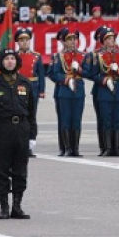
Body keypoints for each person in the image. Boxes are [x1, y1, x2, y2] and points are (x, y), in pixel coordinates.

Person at [0, 48, 37, 220]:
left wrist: (32, 136)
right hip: (3, 129)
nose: (10, 61)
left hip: (22, 128)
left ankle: (17, 206)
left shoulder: (25, 83)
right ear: (1, 62)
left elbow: (31, 112)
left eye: (13, 58)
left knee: (20, 171)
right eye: (6, 58)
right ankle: (4, 207)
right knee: (3, 171)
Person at [84, 25, 119, 157]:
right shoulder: (97, 55)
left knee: (117, 120)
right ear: (103, 40)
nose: (111, 41)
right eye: (108, 39)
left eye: (112, 38)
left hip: (118, 89)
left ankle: (116, 148)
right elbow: (91, 73)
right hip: (103, 91)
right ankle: (106, 147)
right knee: (105, 120)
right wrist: (103, 80)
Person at [48, 27, 86, 157]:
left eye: (74, 39)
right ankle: (66, 147)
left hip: (78, 91)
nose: (73, 42)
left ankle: (75, 148)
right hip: (64, 91)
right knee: (65, 119)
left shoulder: (82, 55)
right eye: (69, 39)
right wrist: (65, 80)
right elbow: (52, 73)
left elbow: (89, 72)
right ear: (63, 41)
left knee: (76, 119)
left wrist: (80, 69)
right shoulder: (58, 56)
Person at [14, 28, 44, 157]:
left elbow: (41, 75)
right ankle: (18, 145)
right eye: (21, 40)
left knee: (31, 117)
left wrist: (41, 91)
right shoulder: (14, 56)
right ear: (18, 42)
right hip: (18, 88)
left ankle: (29, 145)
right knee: (19, 117)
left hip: (33, 88)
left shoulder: (36, 56)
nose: (24, 42)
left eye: (27, 40)